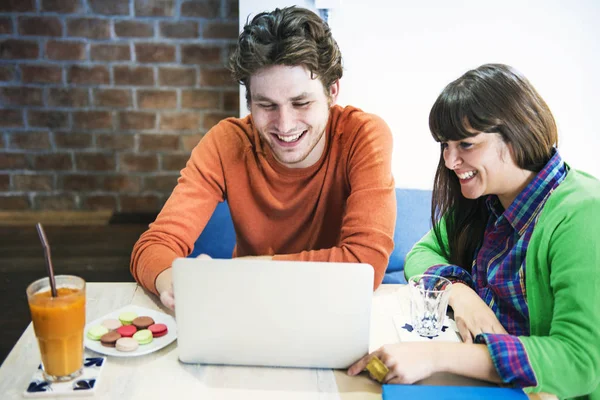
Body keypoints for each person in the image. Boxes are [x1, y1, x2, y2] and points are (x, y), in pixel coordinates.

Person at [348, 64, 600, 398]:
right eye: (445, 144)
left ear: (518, 132)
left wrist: (436, 357)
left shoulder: (583, 213)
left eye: (466, 144)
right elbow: (421, 253)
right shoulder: (488, 198)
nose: (450, 161)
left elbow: (580, 363)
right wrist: (459, 293)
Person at [130, 6, 396, 310]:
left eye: (301, 102)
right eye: (266, 105)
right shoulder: (227, 142)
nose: (284, 125)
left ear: (332, 92)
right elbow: (152, 246)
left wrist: (246, 268)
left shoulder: (364, 135)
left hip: (330, 307)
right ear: (249, 102)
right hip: (248, 307)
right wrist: (171, 282)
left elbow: (366, 264)